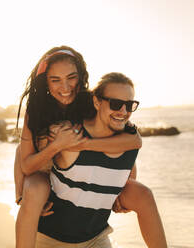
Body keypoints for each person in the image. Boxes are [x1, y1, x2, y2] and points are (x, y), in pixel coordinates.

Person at [14, 46, 143, 248]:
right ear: (46, 81)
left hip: (73, 172)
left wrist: (123, 186)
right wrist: (21, 195)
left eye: (71, 78)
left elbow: (132, 141)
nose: (65, 87)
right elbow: (25, 162)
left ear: (81, 76)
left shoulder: (93, 103)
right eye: (55, 80)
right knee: (35, 188)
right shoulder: (36, 109)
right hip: (44, 168)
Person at [36, 73, 167, 247]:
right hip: (52, 240)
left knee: (144, 194)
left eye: (129, 105)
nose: (123, 112)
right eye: (115, 104)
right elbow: (28, 155)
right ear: (97, 102)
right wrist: (28, 196)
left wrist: (119, 197)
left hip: (96, 238)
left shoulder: (130, 142)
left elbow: (127, 174)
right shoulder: (68, 134)